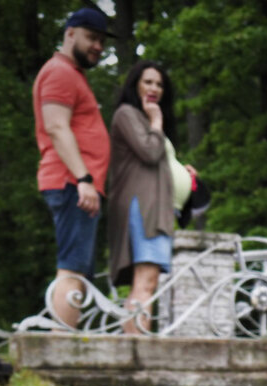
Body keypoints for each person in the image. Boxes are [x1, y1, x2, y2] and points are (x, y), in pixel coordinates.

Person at [32, 8, 114, 328]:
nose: (98, 46)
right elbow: (56, 127)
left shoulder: (71, 74)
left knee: (77, 270)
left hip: (75, 183)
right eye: (92, 38)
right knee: (71, 269)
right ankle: (61, 352)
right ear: (70, 34)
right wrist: (84, 179)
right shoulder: (60, 72)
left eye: (102, 41)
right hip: (70, 182)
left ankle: (63, 344)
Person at [108, 60, 198, 334]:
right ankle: (136, 348)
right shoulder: (127, 114)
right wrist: (156, 121)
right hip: (145, 208)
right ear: (134, 84)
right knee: (145, 281)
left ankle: (135, 343)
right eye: (148, 82)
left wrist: (183, 173)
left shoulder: (145, 120)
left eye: (159, 84)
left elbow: (156, 159)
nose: (154, 88)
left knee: (148, 281)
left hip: (159, 207)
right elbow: (149, 151)